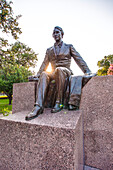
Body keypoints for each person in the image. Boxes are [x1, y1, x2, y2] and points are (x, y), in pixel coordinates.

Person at [25, 26, 92, 120]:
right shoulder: (49, 50)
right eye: (54, 33)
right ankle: (38, 107)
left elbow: (79, 59)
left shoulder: (69, 47)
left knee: (59, 69)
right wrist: (38, 74)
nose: (55, 34)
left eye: (57, 32)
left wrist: (87, 71)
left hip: (65, 71)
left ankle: (58, 102)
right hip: (53, 72)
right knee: (44, 74)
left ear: (62, 34)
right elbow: (44, 63)